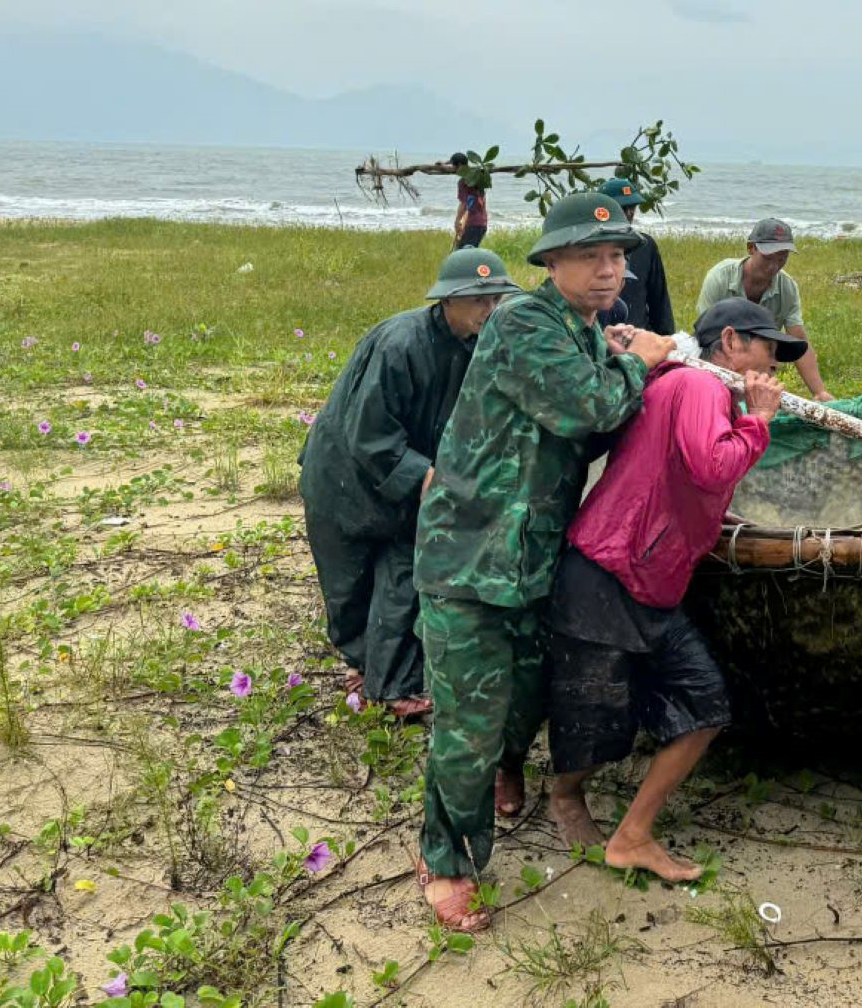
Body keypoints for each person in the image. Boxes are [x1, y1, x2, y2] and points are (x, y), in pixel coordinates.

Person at [413, 191, 677, 932]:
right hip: (469, 558)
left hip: (527, 560)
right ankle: (448, 860)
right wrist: (646, 361)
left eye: (617, 257)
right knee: (467, 718)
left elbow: (597, 415)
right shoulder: (525, 323)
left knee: (524, 695)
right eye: (589, 256)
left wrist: (624, 360)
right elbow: (590, 409)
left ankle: (502, 767)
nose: (607, 270)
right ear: (552, 262)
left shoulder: (585, 333)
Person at [546, 298, 797, 880]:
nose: (776, 362)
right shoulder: (701, 388)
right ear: (729, 342)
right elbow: (712, 465)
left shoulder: (682, 386)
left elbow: (682, 473)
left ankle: (631, 835)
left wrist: (716, 516)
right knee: (595, 707)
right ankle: (565, 797)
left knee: (704, 703)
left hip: (642, 574)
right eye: (768, 347)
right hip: (613, 569)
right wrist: (759, 419)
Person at [299, 249, 522, 717]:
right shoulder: (401, 343)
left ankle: (396, 686)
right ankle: (364, 665)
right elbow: (370, 433)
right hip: (344, 475)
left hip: (411, 478)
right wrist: (424, 475)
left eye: (494, 297)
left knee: (404, 575)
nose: (488, 308)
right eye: (477, 299)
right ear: (447, 300)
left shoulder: (480, 343)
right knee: (347, 583)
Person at [695, 217, 836, 402]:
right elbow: (705, 338)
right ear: (751, 248)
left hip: (760, 361)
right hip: (721, 360)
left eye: (782, 258)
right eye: (768, 257)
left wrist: (819, 391)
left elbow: (798, 338)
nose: (774, 265)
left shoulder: (787, 287)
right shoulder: (720, 277)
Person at [599, 176, 676, 335]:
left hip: (639, 336)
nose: (629, 213)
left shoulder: (645, 245)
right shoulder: (587, 249)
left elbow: (659, 300)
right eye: (622, 207)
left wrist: (666, 339)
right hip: (602, 337)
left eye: (632, 207)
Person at [451, 155, 489, 249]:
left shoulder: (463, 182)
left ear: (459, 165)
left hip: (472, 223)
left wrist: (457, 221)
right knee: (470, 252)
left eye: (453, 166)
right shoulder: (479, 179)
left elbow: (464, 203)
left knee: (462, 254)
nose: (452, 169)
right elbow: (483, 201)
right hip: (482, 223)